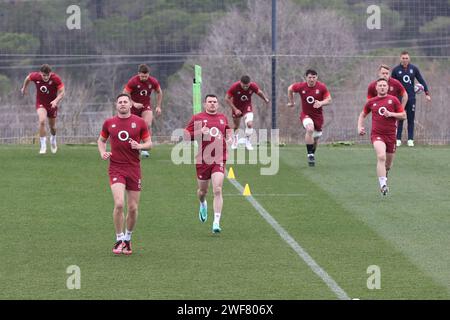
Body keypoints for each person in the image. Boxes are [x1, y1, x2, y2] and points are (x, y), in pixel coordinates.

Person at [97, 93, 152, 255]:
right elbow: (101, 140)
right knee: (119, 204)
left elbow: (149, 144)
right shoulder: (109, 123)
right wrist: (102, 152)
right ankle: (119, 238)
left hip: (134, 168)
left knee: (133, 208)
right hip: (116, 168)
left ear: (130, 105)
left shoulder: (140, 122)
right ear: (116, 105)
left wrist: (139, 147)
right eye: (119, 102)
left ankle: (127, 239)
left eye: (125, 102)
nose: (122, 104)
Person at [185, 94, 231, 233]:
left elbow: (228, 132)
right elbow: (186, 136)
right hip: (203, 160)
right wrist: (199, 131)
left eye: (215, 102)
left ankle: (216, 222)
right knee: (202, 191)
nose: (212, 104)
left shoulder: (222, 118)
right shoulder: (197, 118)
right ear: (205, 104)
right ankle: (202, 203)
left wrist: (230, 139)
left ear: (218, 104)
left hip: (219, 158)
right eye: (210, 102)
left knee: (217, 189)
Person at [358, 78, 406, 196]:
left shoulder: (393, 100)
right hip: (377, 135)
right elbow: (362, 115)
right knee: (381, 156)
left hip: (391, 136)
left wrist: (391, 114)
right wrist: (359, 127)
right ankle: (383, 185)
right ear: (376, 87)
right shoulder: (371, 102)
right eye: (380, 85)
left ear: (388, 87)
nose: (382, 87)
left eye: (384, 85)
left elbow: (403, 115)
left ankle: (385, 174)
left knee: (388, 165)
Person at [287, 69, 332, 167]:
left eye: (314, 77)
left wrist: (321, 103)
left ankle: (312, 153)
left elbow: (329, 100)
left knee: (315, 139)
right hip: (306, 115)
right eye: (309, 77)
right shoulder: (301, 86)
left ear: (317, 77)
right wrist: (291, 102)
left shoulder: (322, 87)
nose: (312, 79)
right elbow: (290, 88)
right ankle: (310, 154)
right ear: (306, 78)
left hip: (318, 117)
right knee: (310, 129)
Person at [20, 64, 65, 154]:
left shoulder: (56, 78)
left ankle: (53, 139)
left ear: (50, 73)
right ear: (40, 73)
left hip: (52, 104)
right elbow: (28, 78)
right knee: (42, 121)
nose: (46, 77)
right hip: (41, 103)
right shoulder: (35, 76)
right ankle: (43, 146)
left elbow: (62, 92)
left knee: (52, 127)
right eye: (44, 75)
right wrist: (24, 88)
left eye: (47, 75)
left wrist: (56, 101)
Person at [391, 51, 431, 147]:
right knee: (400, 117)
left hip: (411, 97)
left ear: (409, 59)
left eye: (406, 58)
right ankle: (398, 139)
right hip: (399, 98)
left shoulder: (414, 69)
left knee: (410, 118)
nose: (405, 60)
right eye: (403, 58)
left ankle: (410, 140)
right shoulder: (396, 70)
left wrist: (427, 93)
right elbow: (392, 84)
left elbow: (421, 80)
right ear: (400, 58)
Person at [123, 64, 162, 157]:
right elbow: (125, 93)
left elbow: (159, 92)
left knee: (147, 124)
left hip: (145, 106)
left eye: (146, 76)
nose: (144, 78)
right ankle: (133, 147)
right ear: (138, 74)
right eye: (142, 76)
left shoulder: (153, 81)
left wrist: (158, 106)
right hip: (133, 107)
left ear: (149, 74)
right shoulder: (133, 81)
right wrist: (133, 103)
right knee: (133, 128)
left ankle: (145, 148)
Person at [225, 75, 269, 150]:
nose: (246, 87)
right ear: (240, 83)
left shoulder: (252, 86)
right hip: (236, 107)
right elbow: (226, 98)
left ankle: (248, 141)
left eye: (247, 86)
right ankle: (235, 140)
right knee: (236, 126)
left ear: (250, 83)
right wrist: (235, 109)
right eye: (244, 86)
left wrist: (265, 99)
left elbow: (259, 92)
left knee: (249, 124)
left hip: (247, 107)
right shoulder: (235, 87)